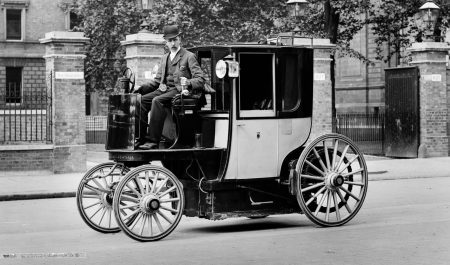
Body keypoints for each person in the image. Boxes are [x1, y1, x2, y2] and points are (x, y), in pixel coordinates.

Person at [133, 24, 205, 150]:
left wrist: (188, 82)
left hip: (178, 91)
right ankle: (141, 138)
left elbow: (200, 79)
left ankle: (153, 141)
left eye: (174, 40)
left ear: (179, 39)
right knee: (141, 100)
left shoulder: (189, 56)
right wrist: (140, 89)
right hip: (164, 89)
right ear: (166, 42)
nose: (172, 43)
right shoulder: (164, 58)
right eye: (169, 41)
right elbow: (156, 82)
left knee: (157, 101)